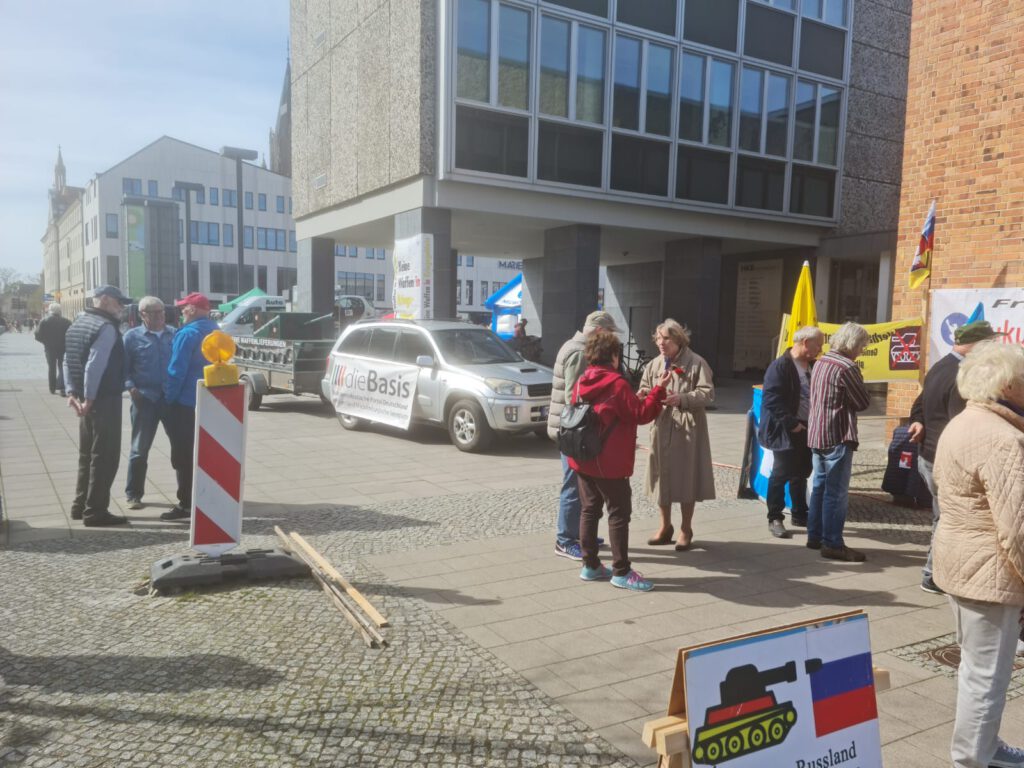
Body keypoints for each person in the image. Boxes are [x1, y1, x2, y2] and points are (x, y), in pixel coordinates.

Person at [932, 341, 1024, 768]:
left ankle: (983, 747)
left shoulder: (963, 422)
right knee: (987, 677)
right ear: (1007, 385)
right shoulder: (1003, 438)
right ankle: (972, 758)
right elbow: (1018, 529)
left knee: (976, 670)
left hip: (959, 562)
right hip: (989, 573)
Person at [907, 319, 1003, 594]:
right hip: (943, 459)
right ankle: (932, 575)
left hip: (930, 455)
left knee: (944, 515)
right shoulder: (962, 374)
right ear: (978, 345)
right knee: (948, 518)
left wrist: (918, 420)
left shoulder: (940, 366)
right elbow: (962, 425)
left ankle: (935, 573)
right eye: (990, 343)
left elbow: (919, 403)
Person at [570, 332, 670, 592]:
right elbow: (641, 414)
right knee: (618, 514)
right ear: (614, 356)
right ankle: (621, 571)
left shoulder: (582, 381)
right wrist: (658, 391)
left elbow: (603, 412)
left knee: (589, 510)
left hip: (583, 457)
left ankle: (590, 565)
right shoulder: (617, 384)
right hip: (609, 461)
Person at [547, 310, 621, 560]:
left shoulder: (574, 345)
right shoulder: (579, 351)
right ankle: (565, 539)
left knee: (580, 486)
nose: (611, 339)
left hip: (570, 430)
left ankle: (580, 533)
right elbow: (574, 397)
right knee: (573, 486)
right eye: (610, 333)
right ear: (600, 331)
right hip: (573, 433)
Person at [639, 319, 715, 551]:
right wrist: (643, 392)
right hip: (661, 426)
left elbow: (707, 393)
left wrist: (682, 399)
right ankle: (665, 527)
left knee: (686, 477)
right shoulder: (654, 364)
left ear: (678, 339)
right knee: (661, 476)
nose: (661, 343)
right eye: (658, 338)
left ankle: (686, 528)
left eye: (666, 338)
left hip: (687, 429)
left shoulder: (696, 362)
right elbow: (644, 385)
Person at [63, 285, 132, 527]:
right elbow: (95, 364)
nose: (122, 307)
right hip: (103, 399)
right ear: (104, 300)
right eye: (118, 302)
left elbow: (67, 358)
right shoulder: (106, 327)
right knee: (105, 456)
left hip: (84, 397)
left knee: (86, 455)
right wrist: (90, 397)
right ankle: (95, 511)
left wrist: (72, 392)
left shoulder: (78, 323)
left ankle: (79, 506)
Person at [806, 322, 871, 562]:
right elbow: (863, 402)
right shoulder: (847, 367)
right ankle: (832, 542)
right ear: (853, 344)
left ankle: (815, 536)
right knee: (836, 493)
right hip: (838, 434)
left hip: (817, 433)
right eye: (862, 346)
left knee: (820, 488)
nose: (862, 350)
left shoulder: (821, 361)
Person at [758, 325, 825, 539]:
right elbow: (772, 400)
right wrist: (791, 423)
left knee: (802, 472)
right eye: (818, 344)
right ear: (805, 342)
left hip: (808, 427)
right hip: (786, 429)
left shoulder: (814, 366)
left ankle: (800, 513)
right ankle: (775, 517)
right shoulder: (781, 366)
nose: (820, 349)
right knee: (781, 473)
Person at [162, 293, 219, 521]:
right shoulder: (217, 332)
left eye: (184, 308)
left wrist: (168, 399)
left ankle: (186, 503)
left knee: (183, 455)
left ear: (193, 310)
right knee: (208, 453)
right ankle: (210, 498)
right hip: (212, 403)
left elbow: (176, 371)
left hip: (185, 403)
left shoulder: (187, 334)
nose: (181, 312)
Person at [122, 296, 176, 510]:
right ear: (142, 314)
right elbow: (123, 368)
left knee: (181, 448)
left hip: (171, 399)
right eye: (153, 312)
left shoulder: (174, 334)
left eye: (161, 311)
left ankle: (187, 495)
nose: (159, 316)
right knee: (139, 449)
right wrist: (130, 386)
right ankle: (133, 494)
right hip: (145, 399)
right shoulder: (131, 337)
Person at [35, 303, 72, 395]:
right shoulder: (67, 322)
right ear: (60, 311)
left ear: (50, 311)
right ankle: (62, 388)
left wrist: (45, 342)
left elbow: (37, 335)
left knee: (51, 368)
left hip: (49, 348)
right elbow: (71, 335)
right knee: (62, 367)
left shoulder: (44, 321)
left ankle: (52, 388)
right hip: (63, 348)